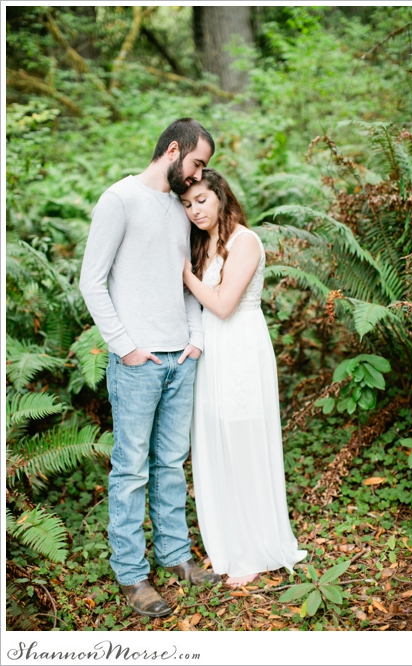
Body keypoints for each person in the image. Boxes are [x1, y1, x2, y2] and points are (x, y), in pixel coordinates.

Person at [79, 118, 221, 618]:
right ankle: (133, 575)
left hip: (180, 358)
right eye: (198, 162)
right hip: (138, 363)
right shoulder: (118, 200)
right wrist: (126, 347)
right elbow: (91, 282)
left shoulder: (179, 209)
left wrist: (196, 339)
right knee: (131, 469)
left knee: (169, 464)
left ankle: (176, 555)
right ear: (174, 150)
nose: (199, 174)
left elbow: (184, 281)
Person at [180, 168, 307, 587]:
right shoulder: (206, 244)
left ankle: (255, 548)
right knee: (216, 442)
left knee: (243, 441)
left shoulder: (245, 241)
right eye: (187, 204)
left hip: (240, 349)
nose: (195, 210)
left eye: (201, 200)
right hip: (212, 352)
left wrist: (186, 275)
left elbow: (222, 304)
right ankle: (229, 542)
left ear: (219, 195)